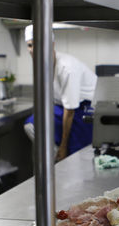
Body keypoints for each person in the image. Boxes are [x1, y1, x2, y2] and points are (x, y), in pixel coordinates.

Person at [23, 24, 97, 161]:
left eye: (38, 44)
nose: (33, 50)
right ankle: (54, 160)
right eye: (30, 45)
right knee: (32, 123)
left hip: (86, 108)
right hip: (63, 108)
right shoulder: (42, 66)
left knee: (75, 153)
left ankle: (64, 157)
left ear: (52, 45)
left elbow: (70, 111)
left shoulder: (67, 68)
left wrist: (63, 146)